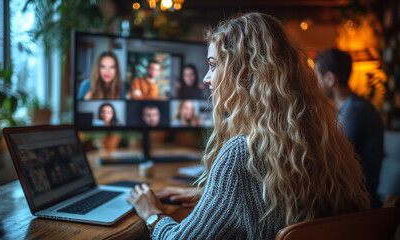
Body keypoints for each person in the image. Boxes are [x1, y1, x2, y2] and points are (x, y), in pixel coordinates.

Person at [126, 13, 370, 239]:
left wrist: (151, 213)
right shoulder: (320, 138)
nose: (206, 78)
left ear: (245, 73)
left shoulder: (242, 152)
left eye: (213, 65)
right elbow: (283, 204)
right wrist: (213, 198)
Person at [314, 48, 384, 208]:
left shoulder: (355, 111)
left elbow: (334, 160)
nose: (315, 83)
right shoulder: (351, 107)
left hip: (359, 203)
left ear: (331, 78)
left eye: (317, 75)